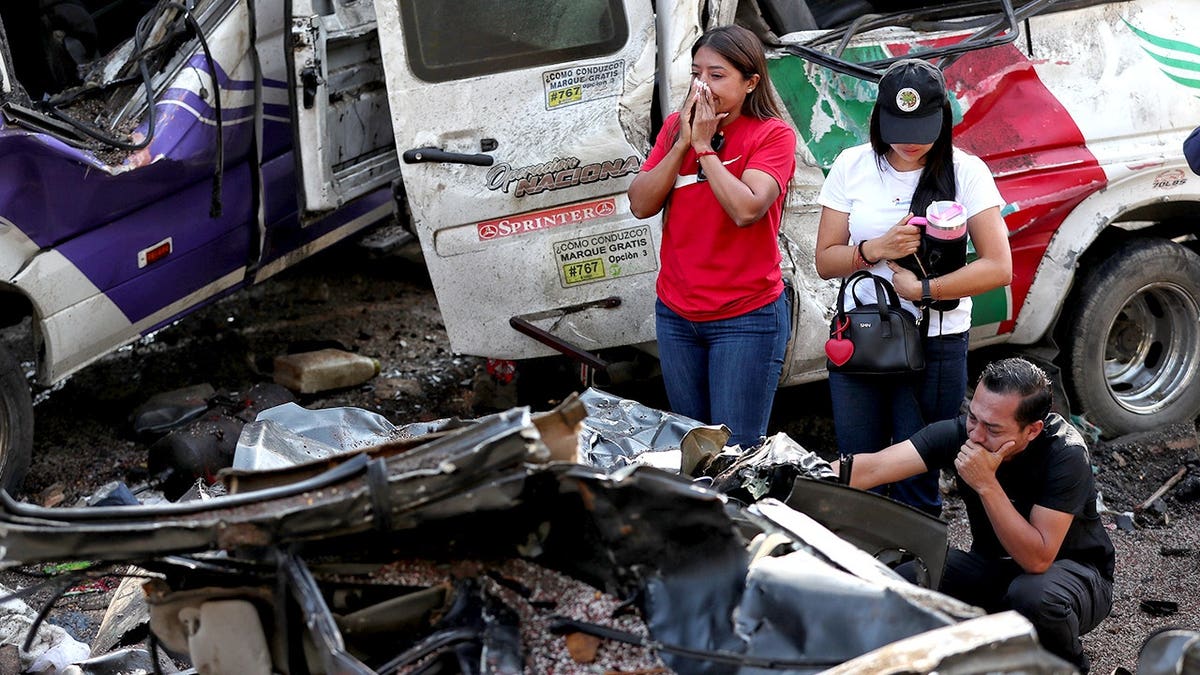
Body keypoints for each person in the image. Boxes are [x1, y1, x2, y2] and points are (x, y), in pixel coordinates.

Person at [814, 58, 1012, 515]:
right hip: (861, 337)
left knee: (917, 477)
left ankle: (914, 573)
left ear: (943, 121)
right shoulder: (852, 164)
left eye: (922, 127)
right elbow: (826, 260)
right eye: (897, 126)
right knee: (856, 472)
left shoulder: (967, 172)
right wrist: (875, 248)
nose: (909, 139)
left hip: (935, 343)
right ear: (878, 119)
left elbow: (999, 267)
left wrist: (925, 290)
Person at [834, 358, 1114, 672]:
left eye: (993, 428)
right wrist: (794, 474)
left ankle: (1069, 668)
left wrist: (986, 484)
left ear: (1032, 430)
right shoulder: (965, 434)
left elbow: (1038, 560)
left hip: (1073, 576)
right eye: (972, 418)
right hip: (993, 569)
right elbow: (874, 467)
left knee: (1033, 595)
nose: (976, 435)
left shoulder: (1065, 454)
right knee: (908, 578)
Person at [628, 25, 797, 448]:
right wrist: (683, 142)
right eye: (696, 73)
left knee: (734, 453)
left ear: (751, 81)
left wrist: (705, 148)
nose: (703, 85)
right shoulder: (675, 129)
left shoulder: (772, 135)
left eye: (717, 75)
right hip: (677, 315)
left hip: (746, 318)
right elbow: (640, 203)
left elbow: (747, 209)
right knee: (692, 448)